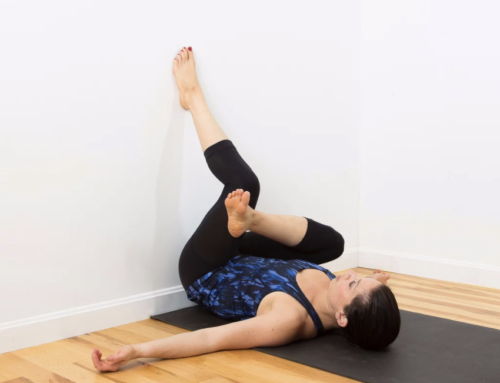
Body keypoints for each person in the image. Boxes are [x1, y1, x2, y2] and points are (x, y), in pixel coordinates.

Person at [92, 46, 400, 372]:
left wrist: (137, 350)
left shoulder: (288, 319)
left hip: (207, 269)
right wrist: (371, 284)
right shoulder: (339, 299)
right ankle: (249, 219)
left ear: (342, 317)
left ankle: (193, 97)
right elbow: (358, 295)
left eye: (353, 284)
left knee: (244, 182)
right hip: (244, 255)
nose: (351, 274)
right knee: (333, 244)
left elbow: (211, 340)